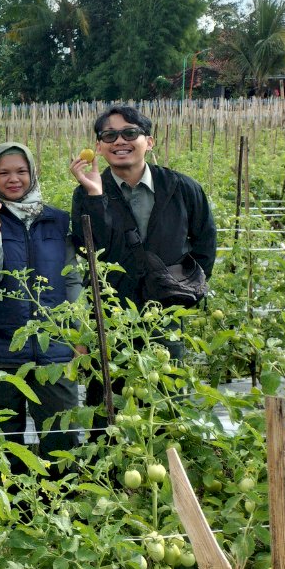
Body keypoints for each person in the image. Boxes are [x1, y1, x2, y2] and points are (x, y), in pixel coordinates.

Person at [69, 106, 216, 422]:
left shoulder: (182, 188)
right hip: (111, 319)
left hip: (165, 317)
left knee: (166, 404)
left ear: (149, 141)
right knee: (108, 409)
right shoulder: (86, 193)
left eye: (130, 133)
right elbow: (88, 249)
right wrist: (95, 195)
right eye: (109, 135)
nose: (119, 140)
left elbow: (205, 245)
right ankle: (107, 472)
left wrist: (186, 292)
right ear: (99, 146)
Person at [0, 143, 82, 465]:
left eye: (21, 171)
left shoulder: (57, 221)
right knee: (6, 441)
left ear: (32, 173)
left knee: (62, 435)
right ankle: (15, 505)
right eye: (4, 173)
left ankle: (60, 503)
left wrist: (76, 333)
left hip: (54, 349)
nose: (13, 179)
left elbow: (72, 280)